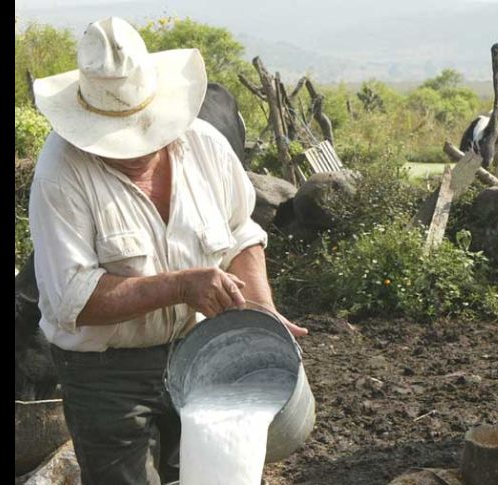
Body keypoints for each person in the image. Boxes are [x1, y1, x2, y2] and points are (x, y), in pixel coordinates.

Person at [29, 16, 307, 484]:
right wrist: (181, 285)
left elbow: (242, 231)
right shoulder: (61, 172)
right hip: (105, 371)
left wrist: (260, 306)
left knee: (203, 474)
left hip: (200, 352)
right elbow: (72, 299)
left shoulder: (204, 146)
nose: (133, 148)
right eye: (113, 139)